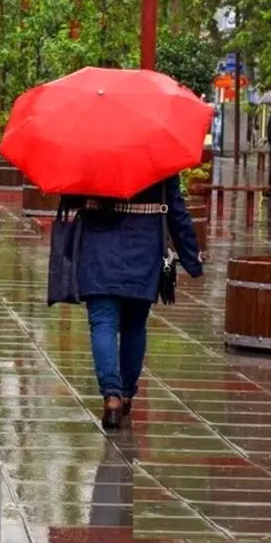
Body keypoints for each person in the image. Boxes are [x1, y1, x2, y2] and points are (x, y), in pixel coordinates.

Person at [63, 176, 202, 430]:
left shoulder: (91, 149)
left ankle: (112, 396)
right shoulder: (160, 152)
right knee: (135, 326)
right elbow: (176, 209)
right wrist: (191, 257)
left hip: (98, 248)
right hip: (144, 246)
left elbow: (70, 198)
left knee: (103, 322)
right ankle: (126, 393)